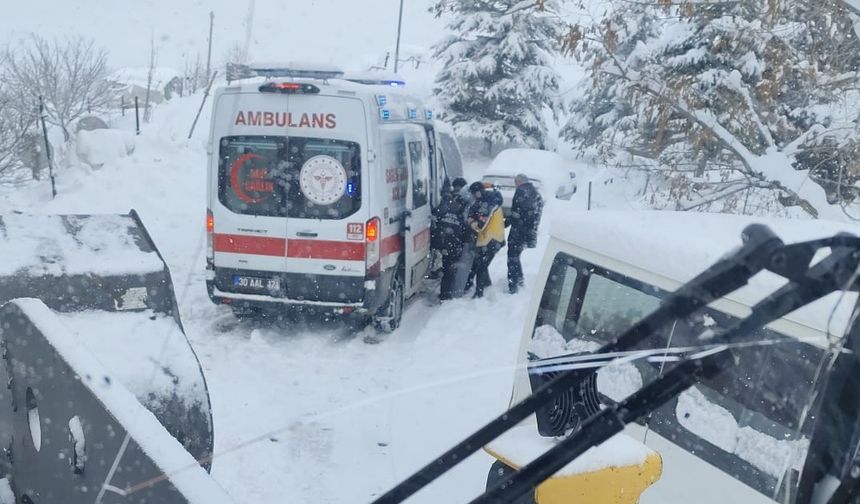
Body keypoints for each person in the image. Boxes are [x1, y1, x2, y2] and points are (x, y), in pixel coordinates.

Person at [505, 173, 544, 294]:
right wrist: (532, 231)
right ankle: (520, 278)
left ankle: (513, 285)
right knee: (517, 254)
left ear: (519, 182)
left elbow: (515, 211)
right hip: (529, 231)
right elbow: (537, 214)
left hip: (518, 230)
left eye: (516, 183)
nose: (516, 186)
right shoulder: (537, 194)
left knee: (512, 256)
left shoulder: (521, 191)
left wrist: (506, 223)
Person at [467, 181, 506, 298]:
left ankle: (479, 293)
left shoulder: (489, 203)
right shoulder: (483, 200)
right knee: (478, 263)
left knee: (481, 265)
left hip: (492, 238)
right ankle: (482, 284)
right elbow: (474, 210)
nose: (473, 196)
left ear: (479, 192)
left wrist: (471, 222)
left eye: (474, 193)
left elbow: (480, 225)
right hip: (488, 238)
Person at [433, 179, 470, 300]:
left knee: (446, 270)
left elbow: (437, 223)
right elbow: (464, 234)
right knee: (451, 271)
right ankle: (447, 294)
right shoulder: (460, 217)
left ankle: (445, 293)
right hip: (454, 246)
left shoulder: (444, 210)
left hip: (443, 244)